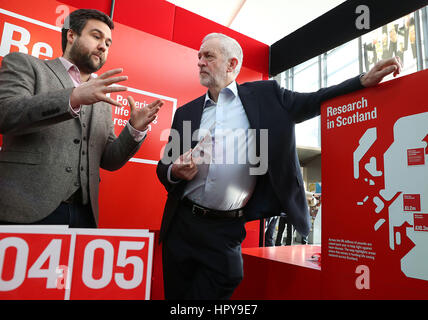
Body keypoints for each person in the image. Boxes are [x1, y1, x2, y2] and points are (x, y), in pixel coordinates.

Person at [156, 32, 401, 300]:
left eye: (208, 56)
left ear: (232, 64)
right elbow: (164, 167)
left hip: (225, 230)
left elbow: (313, 99)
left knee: (222, 282)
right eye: (199, 56)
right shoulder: (187, 113)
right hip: (182, 225)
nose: (200, 61)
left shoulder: (267, 96)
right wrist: (174, 171)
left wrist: (361, 81)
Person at [0, 9, 163, 227]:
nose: (103, 46)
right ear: (71, 35)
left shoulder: (103, 96)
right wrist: (74, 97)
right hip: (25, 211)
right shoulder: (26, 65)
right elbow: (6, 113)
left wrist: (134, 129)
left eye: (108, 42)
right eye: (96, 36)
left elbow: (109, 160)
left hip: (84, 215)